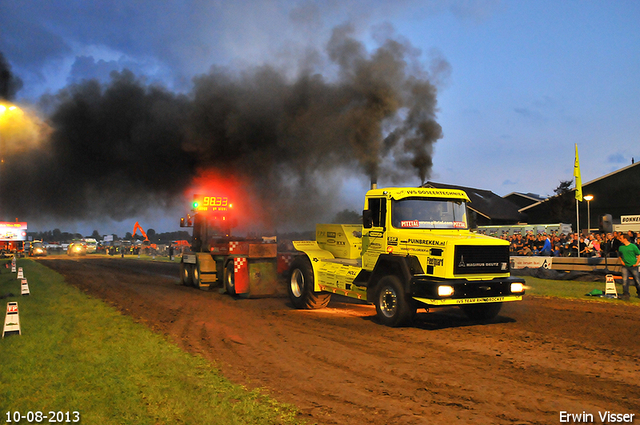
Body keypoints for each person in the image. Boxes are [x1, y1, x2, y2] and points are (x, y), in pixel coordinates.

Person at [617, 233, 640, 300]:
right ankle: (626, 294)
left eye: (621, 238)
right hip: (625, 266)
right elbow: (620, 255)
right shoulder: (621, 247)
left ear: (625, 239)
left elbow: (638, 255)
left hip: (633, 266)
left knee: (637, 280)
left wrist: (637, 263)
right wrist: (621, 261)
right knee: (625, 281)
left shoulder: (633, 246)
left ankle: (639, 293)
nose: (620, 239)